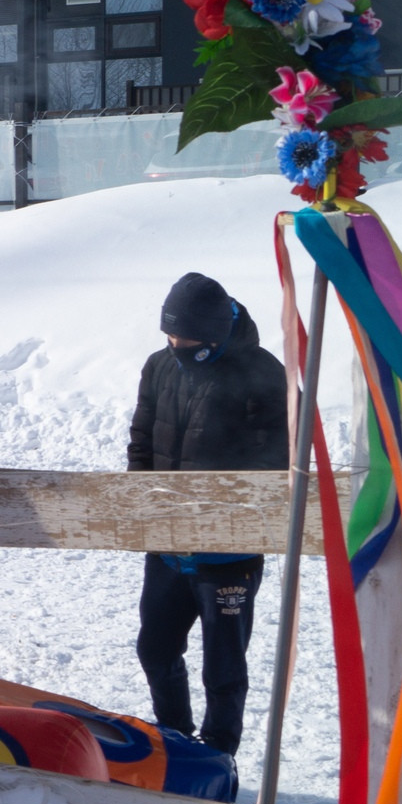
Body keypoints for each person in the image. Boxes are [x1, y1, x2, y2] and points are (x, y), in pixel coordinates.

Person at [126, 272, 289, 755]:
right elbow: (142, 437)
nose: (175, 343)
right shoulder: (159, 366)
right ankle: (176, 738)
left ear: (214, 333)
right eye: (169, 334)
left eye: (185, 336)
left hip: (228, 554)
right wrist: (141, 503)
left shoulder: (261, 373)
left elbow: (273, 460)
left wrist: (218, 509)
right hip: (168, 548)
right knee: (154, 649)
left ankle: (219, 753)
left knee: (222, 667)